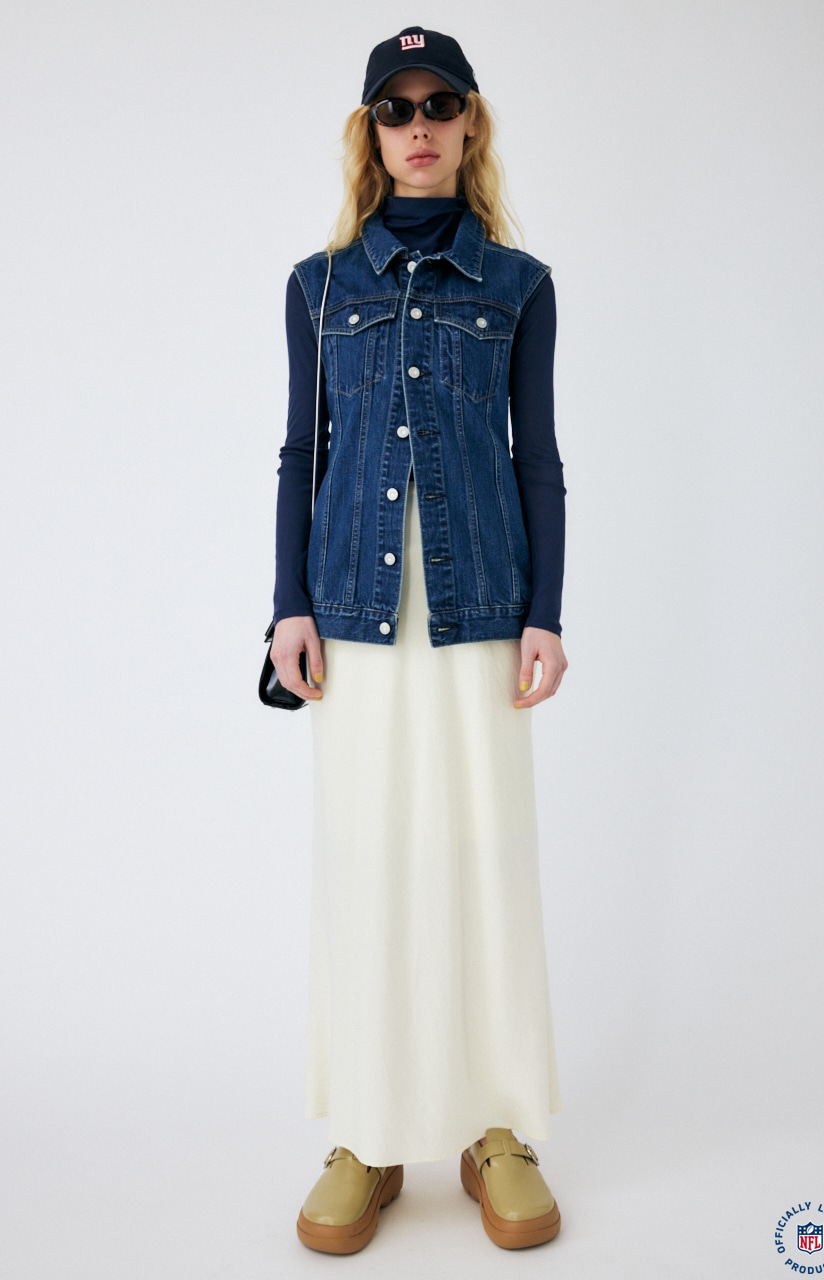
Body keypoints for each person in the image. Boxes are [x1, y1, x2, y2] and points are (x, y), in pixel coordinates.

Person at [271, 26, 568, 1254]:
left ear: (469, 122)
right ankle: (369, 1131)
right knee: (368, 861)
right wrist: (286, 604)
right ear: (371, 133)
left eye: (439, 104)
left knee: (484, 858)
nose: (419, 126)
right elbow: (303, 452)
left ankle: (496, 1127)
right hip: (351, 614)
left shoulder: (519, 285)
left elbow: (536, 458)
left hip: (481, 611)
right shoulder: (318, 286)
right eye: (395, 110)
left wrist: (546, 611)